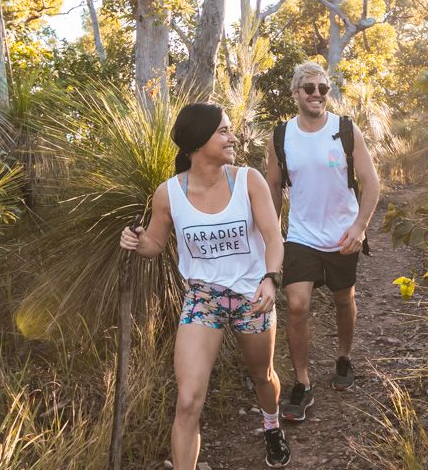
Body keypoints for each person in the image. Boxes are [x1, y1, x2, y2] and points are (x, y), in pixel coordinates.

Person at [119, 103, 292, 469]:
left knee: (263, 376)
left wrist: (271, 279)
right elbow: (154, 245)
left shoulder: (248, 180)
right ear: (197, 142)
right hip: (203, 298)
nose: (233, 137)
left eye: (230, 130)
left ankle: (272, 426)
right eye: (223, 132)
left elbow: (274, 238)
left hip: (253, 295)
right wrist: (137, 240)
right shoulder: (168, 194)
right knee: (188, 400)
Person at [266, 62, 381, 422]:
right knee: (297, 306)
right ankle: (302, 382)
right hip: (301, 236)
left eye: (323, 88)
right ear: (296, 93)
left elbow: (371, 182)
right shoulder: (281, 136)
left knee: (342, 299)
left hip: (342, 234)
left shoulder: (345, 130)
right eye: (309, 88)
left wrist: (359, 228)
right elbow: (272, 187)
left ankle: (344, 358)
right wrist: (272, 234)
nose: (317, 93)